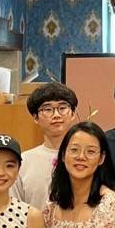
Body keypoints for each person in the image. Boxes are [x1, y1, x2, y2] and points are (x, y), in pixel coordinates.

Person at [13, 82, 80, 210]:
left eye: (62, 108)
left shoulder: (84, 158)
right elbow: (16, 209)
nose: (56, 115)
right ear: (35, 117)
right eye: (48, 109)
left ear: (72, 113)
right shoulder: (23, 161)